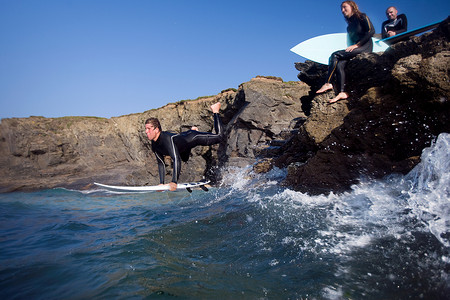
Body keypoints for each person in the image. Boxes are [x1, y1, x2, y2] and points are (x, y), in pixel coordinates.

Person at [145, 102, 225, 191]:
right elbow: (161, 163)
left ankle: (215, 110)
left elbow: (176, 159)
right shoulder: (154, 144)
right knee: (185, 158)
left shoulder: (167, 139)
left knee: (219, 136)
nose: (146, 131)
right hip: (182, 146)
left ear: (156, 130)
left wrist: (174, 181)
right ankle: (192, 129)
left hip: (193, 138)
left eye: (148, 129)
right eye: (145, 129)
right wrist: (161, 183)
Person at [316, 1, 375, 103]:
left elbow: (371, 31)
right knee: (340, 65)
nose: (343, 10)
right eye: (341, 9)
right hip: (356, 48)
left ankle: (328, 83)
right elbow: (350, 43)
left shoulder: (362, 17)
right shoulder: (349, 27)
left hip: (365, 46)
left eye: (344, 7)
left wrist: (357, 45)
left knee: (335, 55)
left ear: (352, 7)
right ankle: (342, 92)